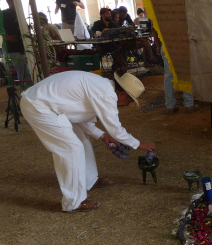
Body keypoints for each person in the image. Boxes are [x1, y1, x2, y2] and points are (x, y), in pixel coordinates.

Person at [19, 71, 156, 212]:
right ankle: (74, 202)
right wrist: (139, 144)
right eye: (130, 100)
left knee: (82, 139)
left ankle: (89, 180)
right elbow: (116, 130)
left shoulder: (102, 87)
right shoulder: (106, 94)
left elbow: (78, 116)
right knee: (71, 148)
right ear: (121, 94)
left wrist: (102, 136)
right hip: (38, 106)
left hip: (46, 105)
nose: (128, 105)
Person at [0, 0, 30, 82]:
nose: (20, 2)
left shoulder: (18, 13)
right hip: (13, 48)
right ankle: (28, 93)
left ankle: (23, 93)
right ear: (10, 2)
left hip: (21, 47)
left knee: (22, 73)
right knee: (25, 74)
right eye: (17, 0)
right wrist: (6, 36)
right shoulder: (5, 13)